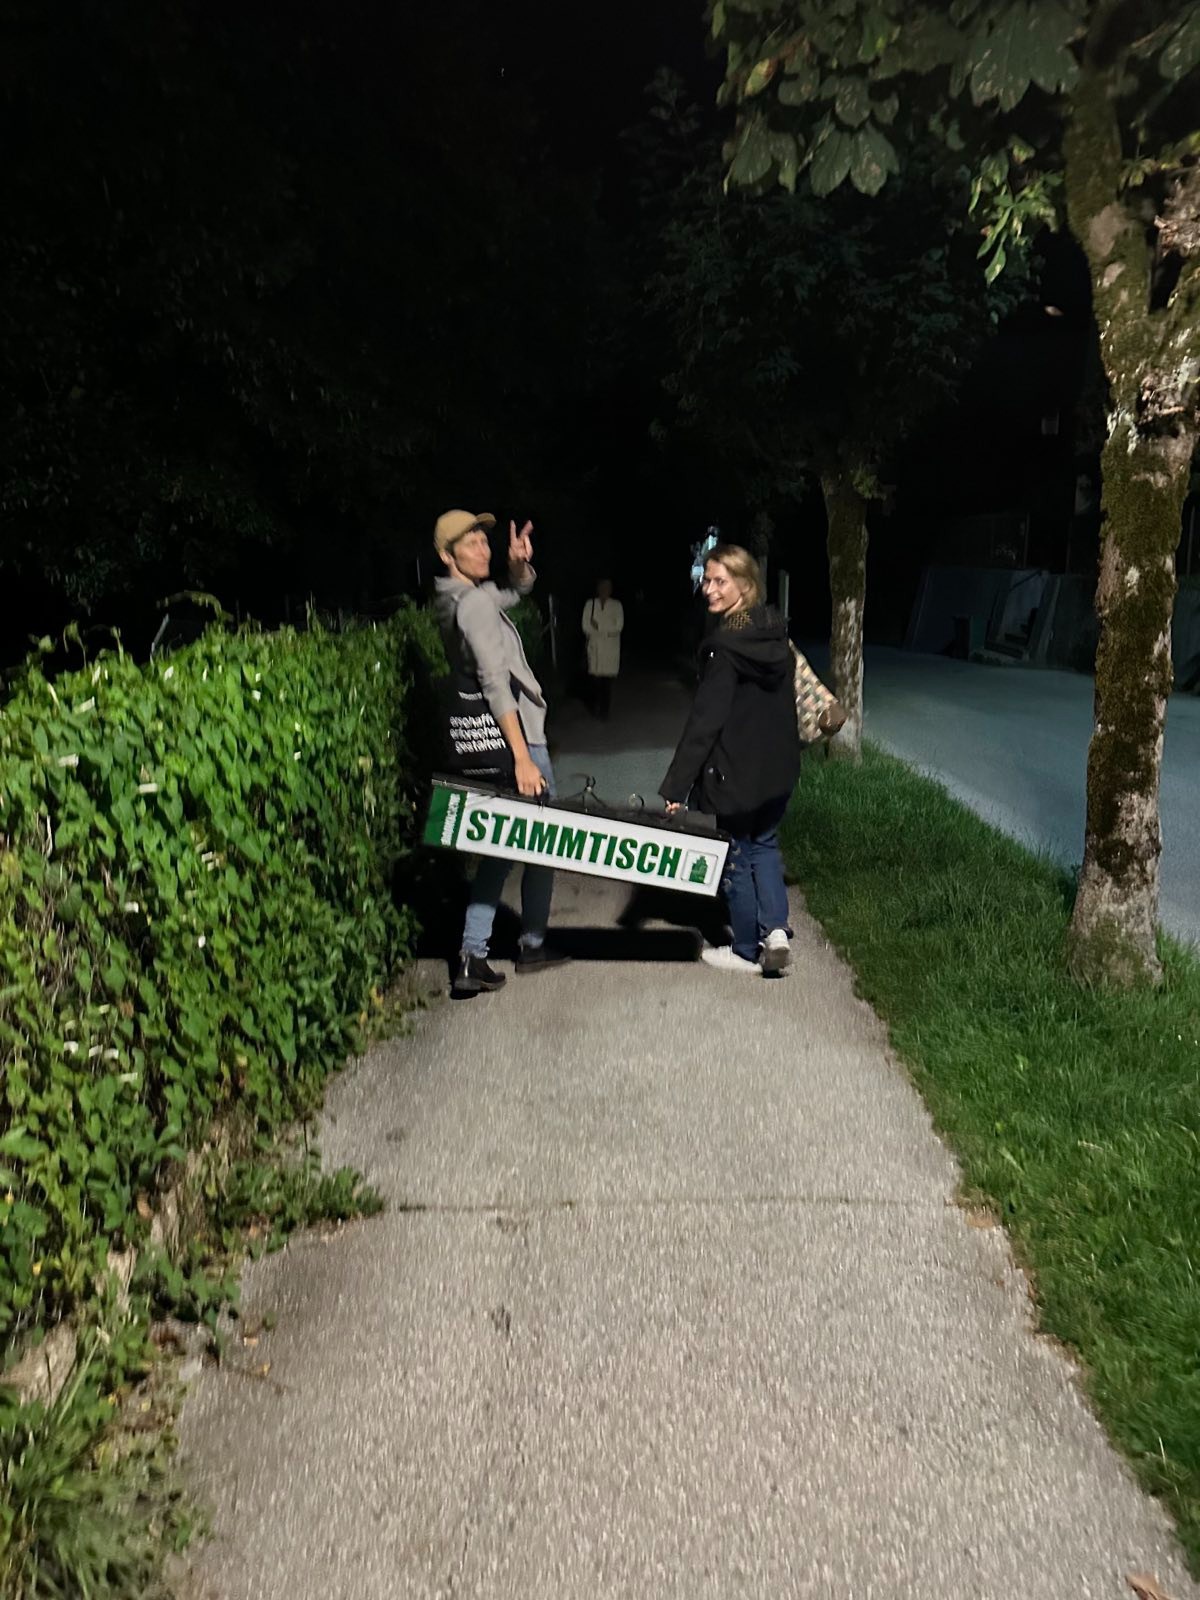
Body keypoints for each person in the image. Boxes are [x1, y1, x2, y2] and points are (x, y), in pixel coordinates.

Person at [433, 508, 569, 996]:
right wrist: (523, 757)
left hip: (499, 740)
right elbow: (494, 682)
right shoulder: (471, 604)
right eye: (470, 543)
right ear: (446, 555)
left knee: (508, 847)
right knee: (532, 845)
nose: (482, 548)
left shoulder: (460, 597)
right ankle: (504, 948)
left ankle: (492, 950)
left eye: (483, 540)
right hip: (516, 738)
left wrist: (517, 566)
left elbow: (516, 591)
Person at [659, 543, 801, 976]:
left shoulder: (725, 648)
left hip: (737, 772)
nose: (709, 589)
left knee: (737, 853)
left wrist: (677, 786)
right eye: (706, 579)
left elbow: (705, 722)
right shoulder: (774, 633)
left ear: (745, 584)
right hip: (778, 769)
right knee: (765, 844)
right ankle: (775, 931)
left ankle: (743, 949)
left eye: (720, 581)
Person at [581, 578, 624, 719]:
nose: (605, 590)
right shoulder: (590, 604)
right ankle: (596, 707)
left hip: (610, 649)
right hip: (595, 648)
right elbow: (586, 626)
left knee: (607, 682)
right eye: (603, 587)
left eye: (608, 587)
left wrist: (598, 626)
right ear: (598, 589)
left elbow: (618, 627)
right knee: (595, 681)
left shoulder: (616, 605)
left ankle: (604, 711)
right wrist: (605, 629)